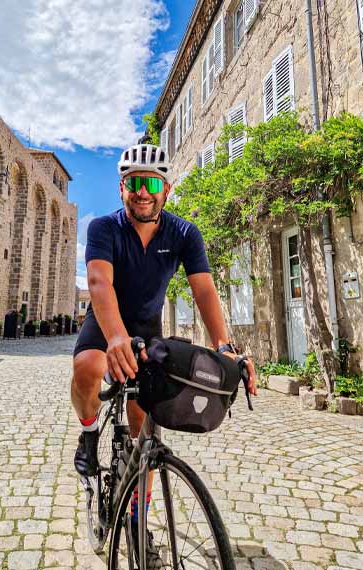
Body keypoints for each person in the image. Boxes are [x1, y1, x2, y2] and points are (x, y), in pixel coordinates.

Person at [71, 142, 257, 562]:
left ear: (166, 189)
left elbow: (204, 289)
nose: (143, 191)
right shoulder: (103, 228)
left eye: (151, 182)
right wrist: (115, 336)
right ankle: (87, 435)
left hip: (147, 332)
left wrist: (225, 348)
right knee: (87, 368)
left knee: (146, 431)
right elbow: (99, 284)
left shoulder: (184, 233)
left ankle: (139, 522)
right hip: (105, 322)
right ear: (122, 188)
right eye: (134, 182)